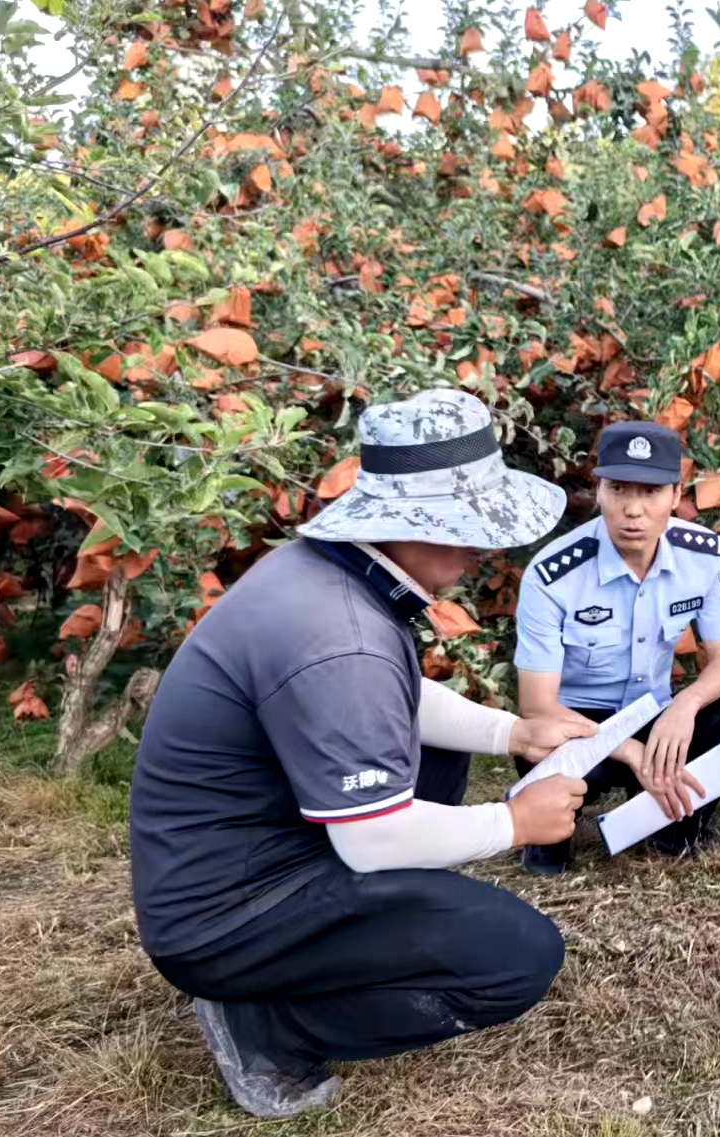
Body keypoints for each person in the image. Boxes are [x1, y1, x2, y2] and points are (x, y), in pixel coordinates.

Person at [130, 390, 592, 1119]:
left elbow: (391, 700)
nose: (482, 548)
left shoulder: (328, 575)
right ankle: (268, 1027)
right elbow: (372, 834)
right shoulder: (339, 630)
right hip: (222, 915)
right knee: (517, 955)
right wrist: (516, 823)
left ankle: (346, 945)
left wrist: (514, 732)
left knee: (434, 766)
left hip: (239, 857)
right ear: (409, 523)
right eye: (468, 526)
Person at [513, 421, 720, 873]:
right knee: (537, 746)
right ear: (598, 490)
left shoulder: (702, 555)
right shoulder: (554, 574)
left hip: (656, 715)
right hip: (581, 729)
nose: (633, 510)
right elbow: (537, 706)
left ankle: (674, 825)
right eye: (618, 489)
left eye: (650, 492)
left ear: (675, 494)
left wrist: (684, 706)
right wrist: (632, 752)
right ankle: (550, 828)